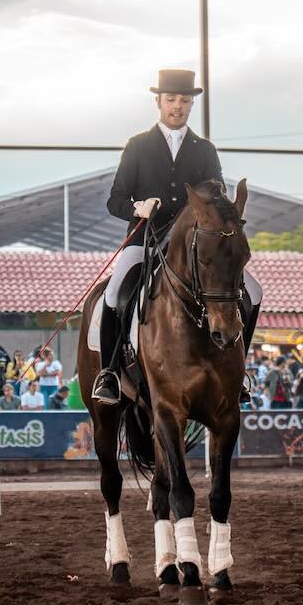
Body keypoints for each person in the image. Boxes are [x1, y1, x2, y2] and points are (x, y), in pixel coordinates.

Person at [93, 68, 263, 406]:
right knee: (113, 294)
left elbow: (218, 195)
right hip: (147, 238)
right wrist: (138, 207)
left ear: (190, 104)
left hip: (195, 245)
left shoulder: (204, 149)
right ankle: (110, 372)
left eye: (184, 100)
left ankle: (238, 369)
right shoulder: (138, 146)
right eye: (171, 99)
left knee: (253, 291)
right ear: (159, 101)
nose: (178, 106)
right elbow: (115, 200)